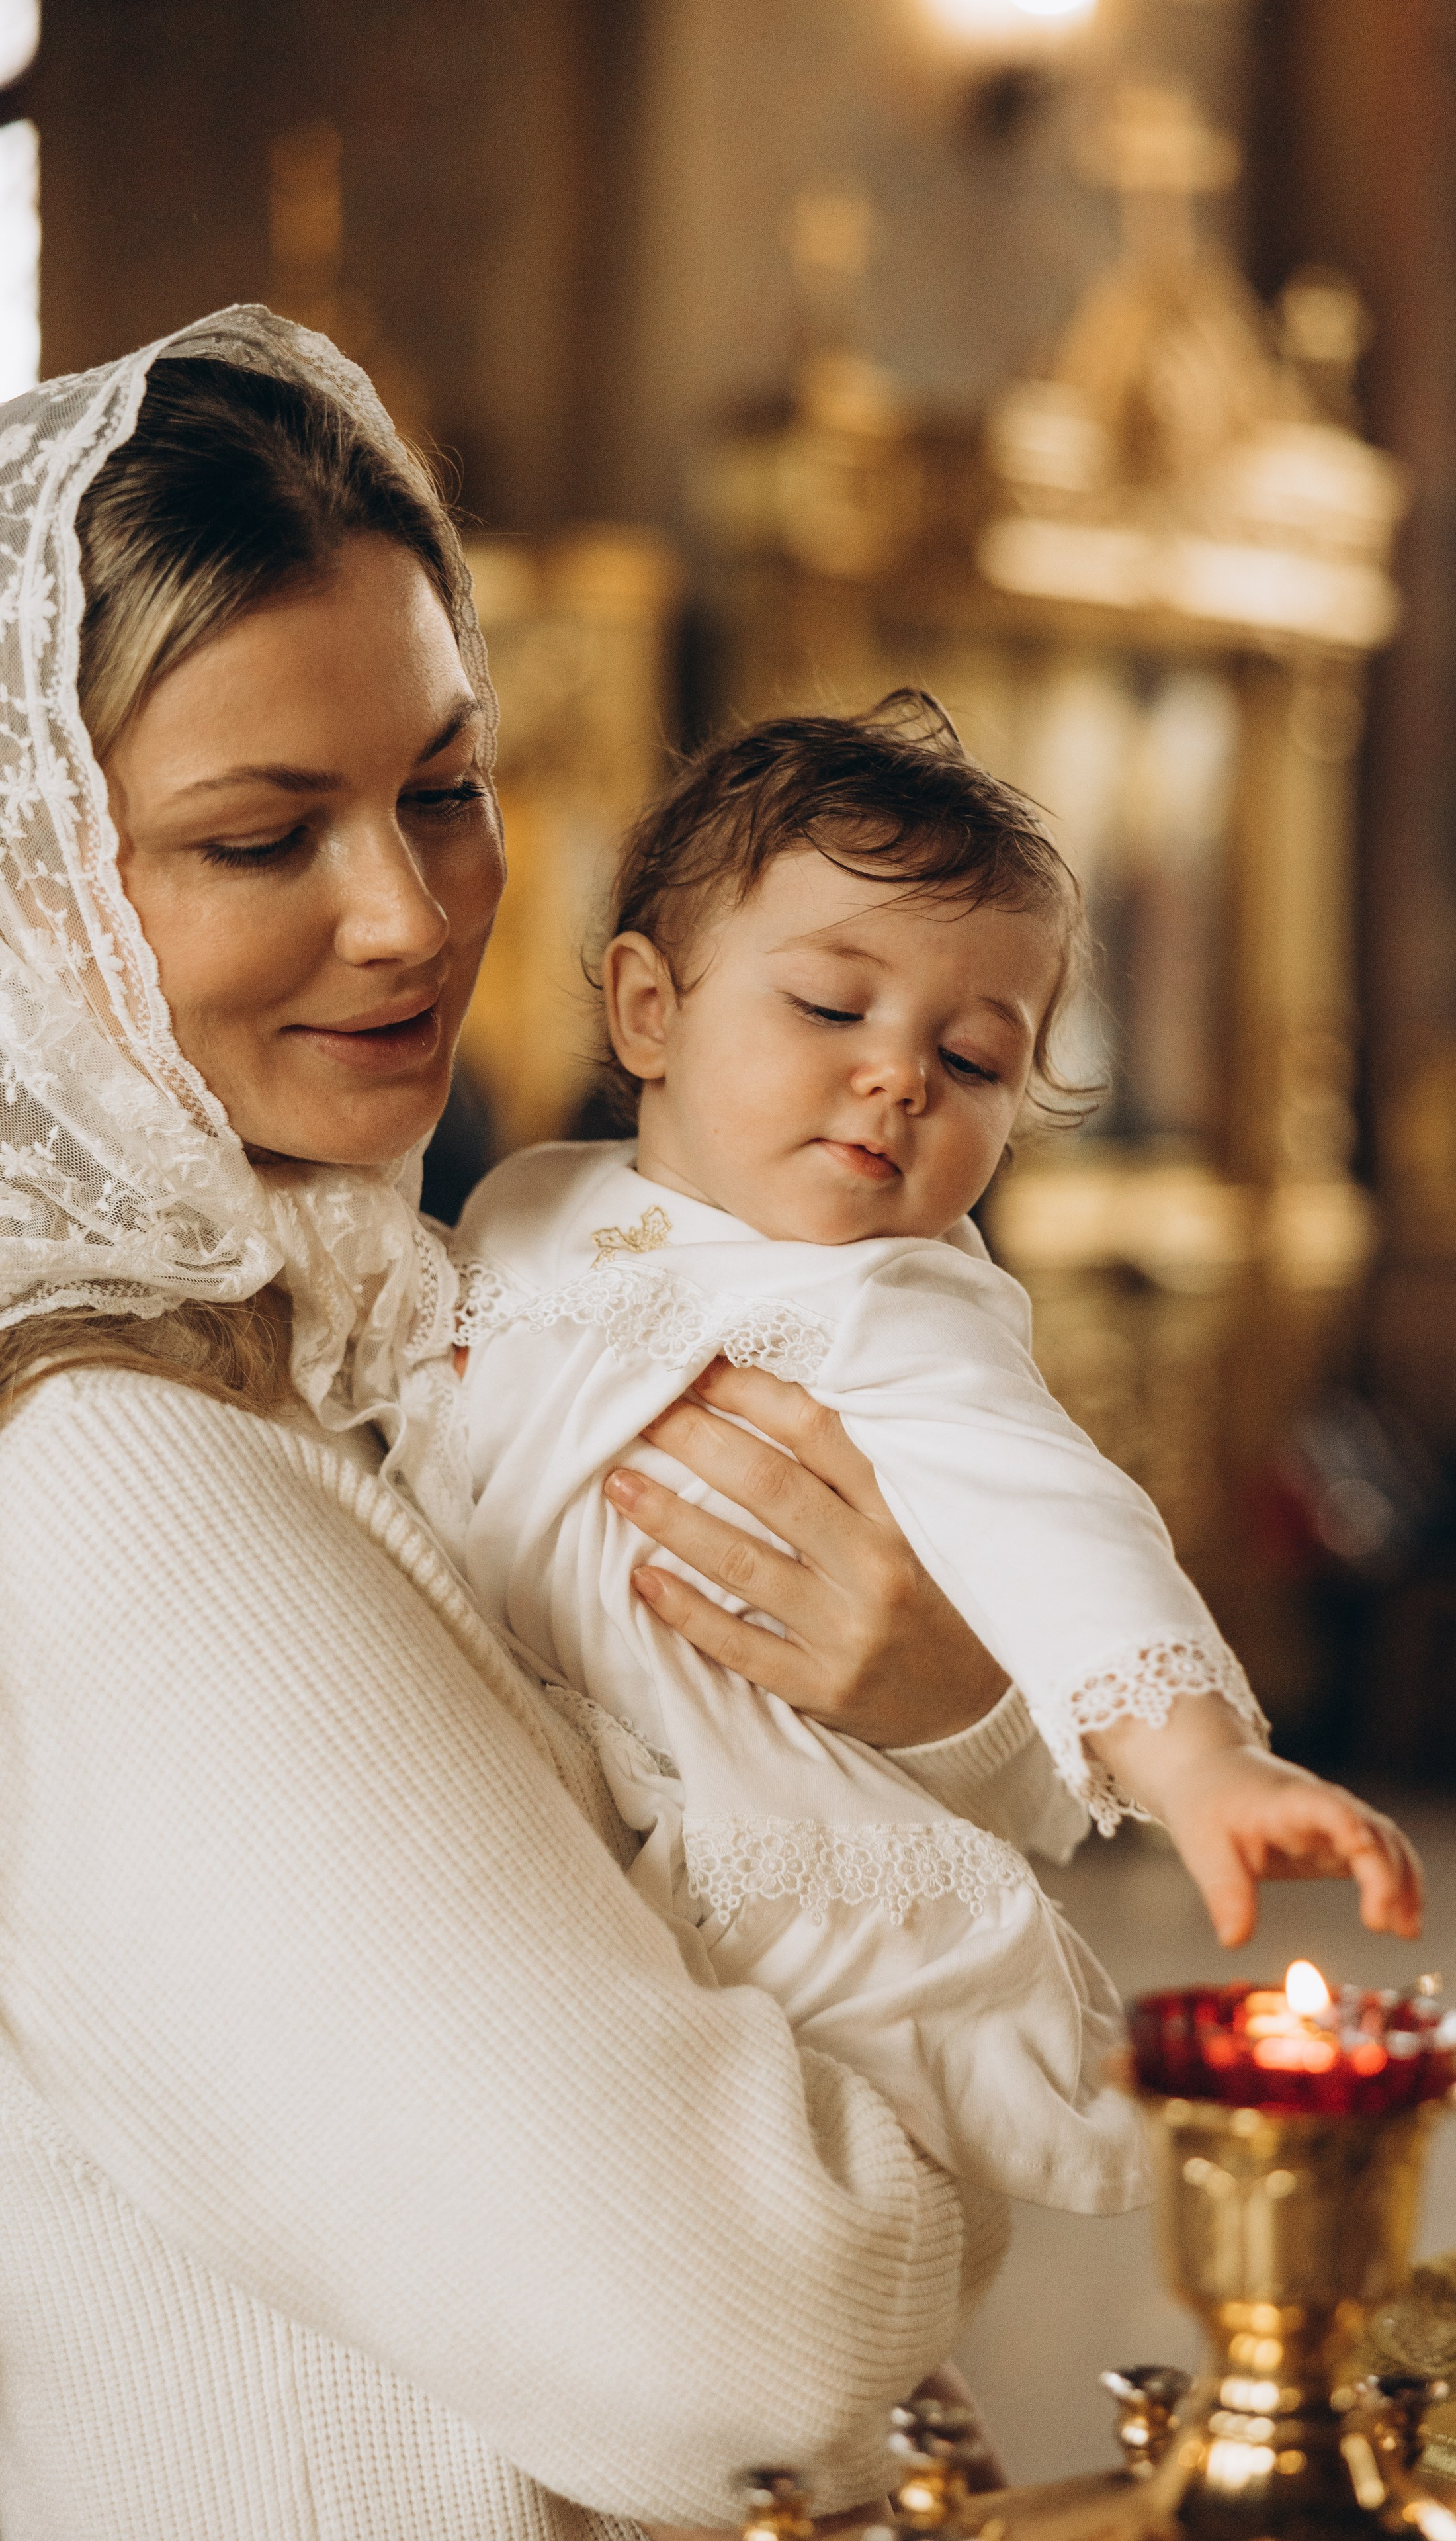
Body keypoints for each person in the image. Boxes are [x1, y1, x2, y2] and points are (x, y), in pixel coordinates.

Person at [0, 309, 1043, 2540]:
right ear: (26, 885)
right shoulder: (106, 1481)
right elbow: (755, 2347)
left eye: (446, 792)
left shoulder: (358, 1334)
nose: (411, 918)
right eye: (263, 835)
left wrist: (942, 1705)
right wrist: (953, 2015)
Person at [450, 698, 1424, 2215]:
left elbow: (1062, 1533)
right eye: (831, 1011)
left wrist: (1200, 1764)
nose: (899, 1076)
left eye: (972, 1061)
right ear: (651, 1011)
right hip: (519, 1764)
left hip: (742, 1783)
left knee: (869, 2047)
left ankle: (1138, 2151)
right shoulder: (519, 1204)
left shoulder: (899, 1305)